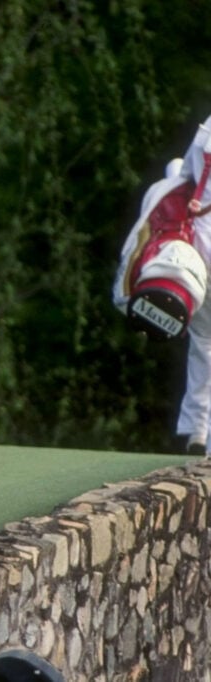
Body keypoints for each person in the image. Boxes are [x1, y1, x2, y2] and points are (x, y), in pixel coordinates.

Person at [176, 115, 211, 456]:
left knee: (203, 342)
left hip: (199, 254)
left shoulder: (206, 131)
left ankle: (197, 428)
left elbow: (184, 177)